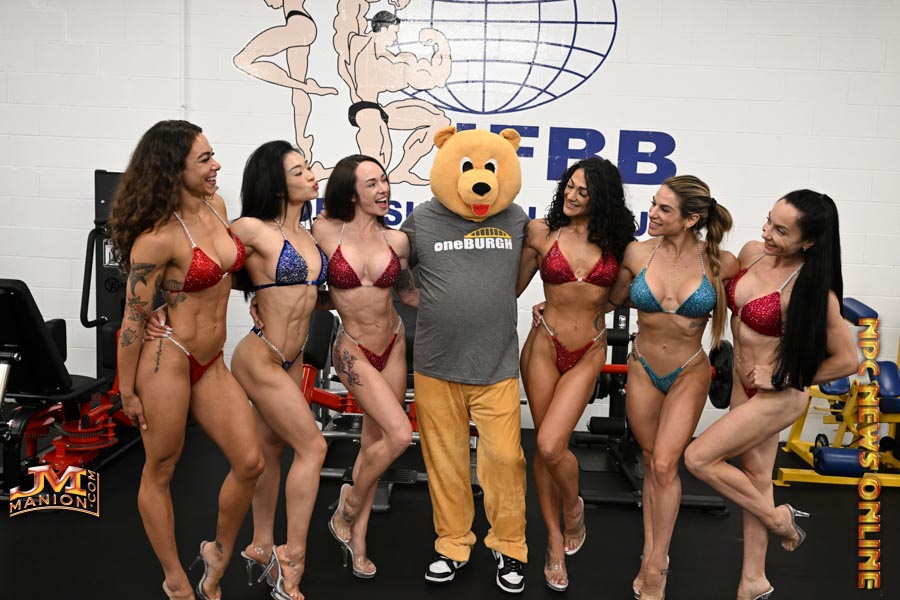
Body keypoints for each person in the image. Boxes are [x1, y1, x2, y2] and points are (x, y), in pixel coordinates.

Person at [108, 120, 264, 600]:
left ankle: (217, 552)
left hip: (210, 360)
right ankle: (175, 579)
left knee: (250, 461)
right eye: (204, 159)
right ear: (173, 168)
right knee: (161, 469)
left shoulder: (216, 207)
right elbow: (132, 320)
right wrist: (127, 390)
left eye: (212, 155)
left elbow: (224, 273)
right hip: (168, 359)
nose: (216, 165)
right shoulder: (156, 237)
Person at [684, 190, 857, 600]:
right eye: (768, 221)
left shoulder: (813, 292)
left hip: (778, 396)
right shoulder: (752, 253)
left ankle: (780, 521)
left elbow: (848, 360)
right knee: (757, 480)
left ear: (808, 242)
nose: (766, 232)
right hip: (743, 385)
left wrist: (784, 375)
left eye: (781, 231)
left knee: (698, 458)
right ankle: (754, 580)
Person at [608, 175, 738, 600]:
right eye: (653, 203)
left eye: (664, 209)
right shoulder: (637, 252)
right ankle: (650, 548)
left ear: (691, 219)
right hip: (643, 367)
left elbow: (752, 311)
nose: (652, 213)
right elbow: (610, 299)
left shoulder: (720, 263)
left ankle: (657, 564)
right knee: (651, 461)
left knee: (666, 465)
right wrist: (551, 305)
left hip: (688, 370)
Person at [516, 158, 635, 592]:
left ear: (601, 198)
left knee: (552, 445)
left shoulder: (621, 244)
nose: (571, 195)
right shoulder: (540, 233)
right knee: (544, 450)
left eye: (583, 192)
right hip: (544, 346)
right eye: (569, 186)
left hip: (588, 350)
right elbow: (510, 287)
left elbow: (620, 298)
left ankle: (573, 507)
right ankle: (554, 541)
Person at [227, 141, 329, 600]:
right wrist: (163, 308)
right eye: (299, 171)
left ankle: (261, 543)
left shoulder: (309, 233)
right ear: (276, 183)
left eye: (308, 167)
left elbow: (308, 296)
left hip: (293, 358)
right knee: (313, 447)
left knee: (272, 449)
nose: (311, 175)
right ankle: (293, 557)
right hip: (260, 356)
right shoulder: (251, 228)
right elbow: (200, 263)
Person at [311, 154, 418, 578]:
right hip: (352, 347)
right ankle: (349, 504)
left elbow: (408, 295)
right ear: (351, 192)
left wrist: (472, 304)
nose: (383, 189)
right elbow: (305, 284)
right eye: (371, 183)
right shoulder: (323, 230)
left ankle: (357, 540)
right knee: (400, 434)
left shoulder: (398, 240)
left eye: (384, 180)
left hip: (393, 344)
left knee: (376, 444)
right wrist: (270, 303)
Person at [339, 9, 451, 185]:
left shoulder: (361, 44)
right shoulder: (371, 54)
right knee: (377, 167)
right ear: (383, 29)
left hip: (375, 108)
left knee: (439, 120)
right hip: (367, 111)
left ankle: (402, 170)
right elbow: (433, 78)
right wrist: (441, 44)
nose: (396, 38)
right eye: (394, 32)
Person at [233, 0, 338, 180]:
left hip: (299, 26)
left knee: (242, 60)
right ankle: (304, 146)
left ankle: (306, 87)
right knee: (298, 91)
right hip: (302, 25)